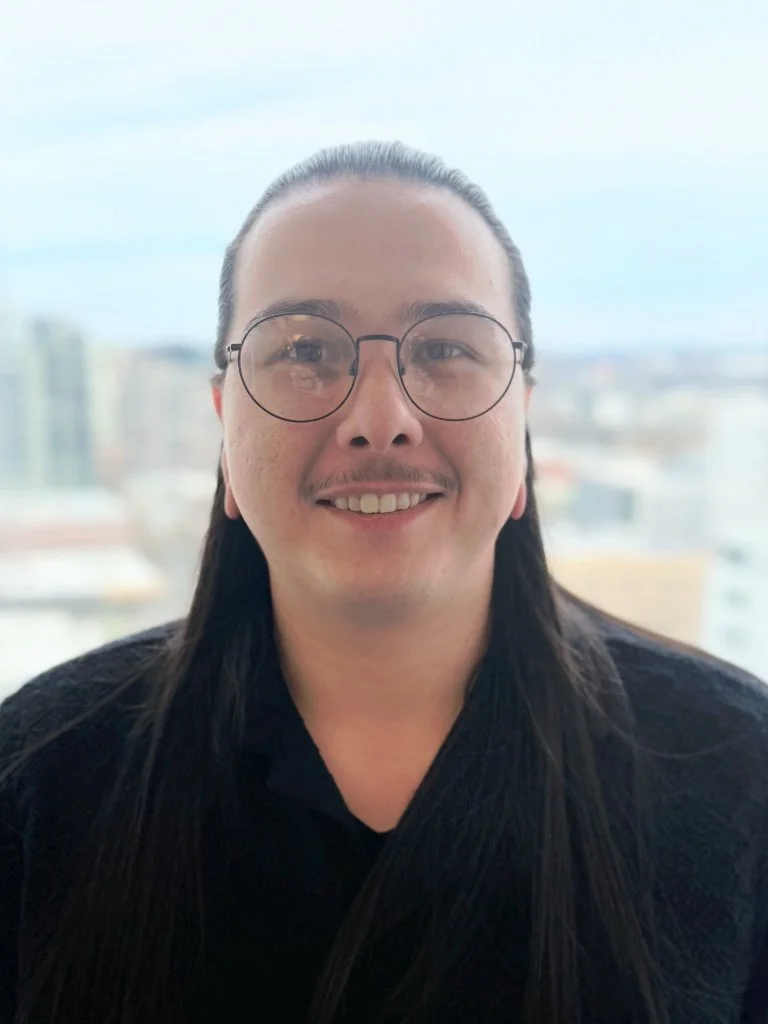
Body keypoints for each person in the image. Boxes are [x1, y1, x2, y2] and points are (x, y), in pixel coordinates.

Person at [1, 141, 766, 1024]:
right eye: (304, 351)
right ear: (224, 426)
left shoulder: (735, 774)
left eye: (443, 347)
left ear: (521, 418)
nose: (379, 419)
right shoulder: (41, 780)